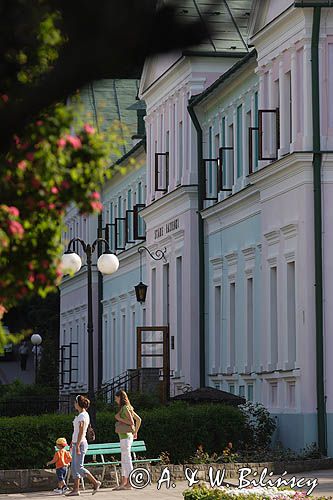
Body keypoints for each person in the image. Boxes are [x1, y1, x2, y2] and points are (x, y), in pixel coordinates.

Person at [66, 395, 101, 496]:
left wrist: (77, 445)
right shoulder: (82, 414)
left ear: (78, 404)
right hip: (76, 442)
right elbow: (76, 431)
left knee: (79, 467)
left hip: (80, 444)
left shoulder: (82, 416)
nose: (74, 404)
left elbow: (81, 432)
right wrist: (72, 443)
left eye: (75, 402)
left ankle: (95, 482)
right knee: (74, 467)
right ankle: (76, 489)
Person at [113, 390, 142, 491]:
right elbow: (139, 420)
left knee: (126, 460)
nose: (115, 399)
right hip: (127, 437)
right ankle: (124, 483)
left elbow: (131, 422)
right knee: (125, 460)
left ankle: (129, 483)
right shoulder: (128, 407)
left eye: (116, 397)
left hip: (125, 437)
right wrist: (135, 432)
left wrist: (118, 418)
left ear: (120, 397)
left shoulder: (125, 408)